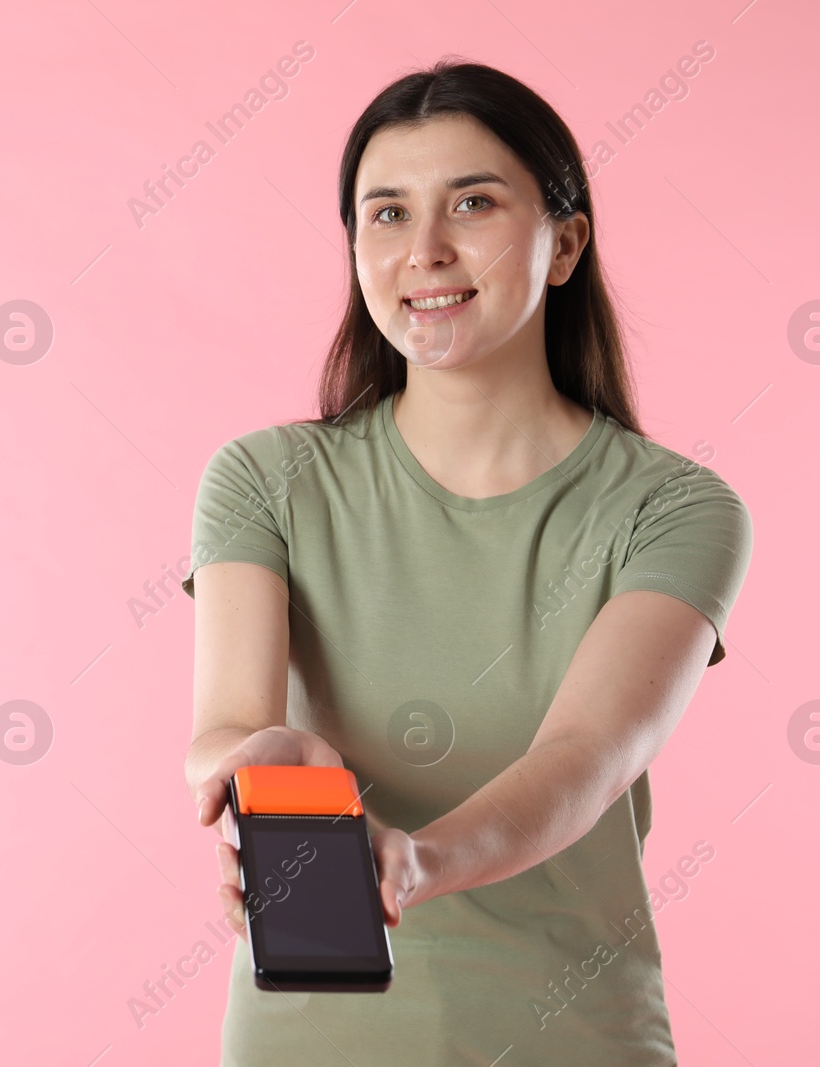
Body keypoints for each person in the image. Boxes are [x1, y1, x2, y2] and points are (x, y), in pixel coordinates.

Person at [179, 58, 754, 1066]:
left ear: (564, 242)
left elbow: (583, 759)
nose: (425, 251)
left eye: (473, 204)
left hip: (574, 1037)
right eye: (386, 213)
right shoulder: (265, 479)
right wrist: (246, 768)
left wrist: (411, 860)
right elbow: (223, 724)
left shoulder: (673, 509)